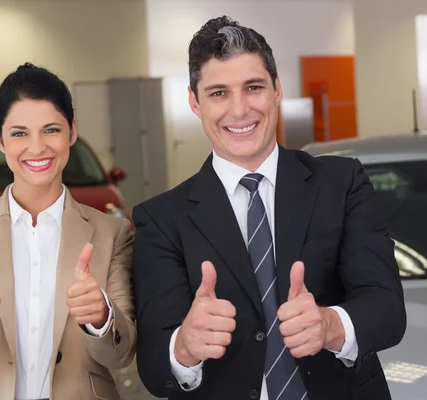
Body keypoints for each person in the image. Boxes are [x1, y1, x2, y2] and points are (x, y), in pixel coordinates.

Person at [131, 16, 406, 400]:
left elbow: (388, 309)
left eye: (253, 87)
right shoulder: (160, 219)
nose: (240, 109)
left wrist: (330, 325)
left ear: (277, 89)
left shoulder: (342, 184)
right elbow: (153, 366)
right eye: (218, 93)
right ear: (195, 102)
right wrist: (184, 348)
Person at [0, 63, 136, 400]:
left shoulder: (112, 233)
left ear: (72, 132)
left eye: (51, 129)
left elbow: (122, 355)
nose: (36, 148)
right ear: (0, 139)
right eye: (19, 133)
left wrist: (100, 317)